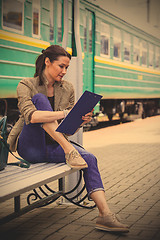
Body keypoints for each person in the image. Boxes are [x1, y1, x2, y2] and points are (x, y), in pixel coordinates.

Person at [8, 45, 129, 233]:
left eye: (67, 68)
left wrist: (79, 120)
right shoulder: (27, 84)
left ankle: (105, 215)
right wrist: (65, 113)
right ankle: (69, 150)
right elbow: (31, 116)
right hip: (31, 147)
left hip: (55, 145)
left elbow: (67, 129)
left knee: (90, 158)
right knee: (40, 100)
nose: (64, 71)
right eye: (61, 66)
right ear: (47, 62)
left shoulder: (67, 88)